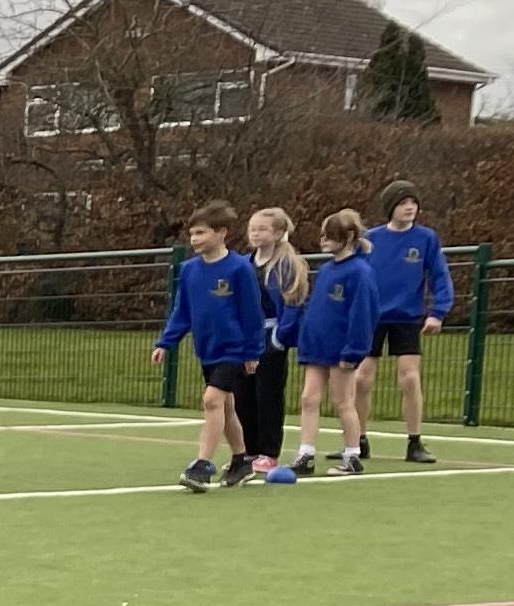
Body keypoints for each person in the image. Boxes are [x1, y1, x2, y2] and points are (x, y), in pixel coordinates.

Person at [155, 204, 271, 490]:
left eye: (201, 233)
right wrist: (166, 342)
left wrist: (253, 351)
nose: (194, 239)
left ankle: (203, 465)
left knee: (211, 400)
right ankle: (241, 460)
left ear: (222, 233)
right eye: (192, 234)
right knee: (226, 406)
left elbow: (252, 314)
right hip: (207, 350)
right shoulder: (190, 270)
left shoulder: (240, 269)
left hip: (234, 350)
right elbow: (182, 312)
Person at [363, 181, 453, 465]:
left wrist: (437, 312)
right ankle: (357, 440)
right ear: (391, 207)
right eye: (403, 203)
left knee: (410, 378)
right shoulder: (370, 239)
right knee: (361, 378)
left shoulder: (427, 238)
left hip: (408, 318)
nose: (409, 207)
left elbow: (440, 276)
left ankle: (414, 442)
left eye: (413, 203)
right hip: (372, 318)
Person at [292, 209, 380, 477]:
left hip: (342, 350)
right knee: (309, 398)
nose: (323, 241)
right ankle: (305, 453)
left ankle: (352, 454)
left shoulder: (360, 272)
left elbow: (363, 315)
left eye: (330, 236)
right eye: (323, 236)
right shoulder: (328, 269)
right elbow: (319, 310)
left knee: (343, 402)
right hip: (318, 348)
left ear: (349, 236)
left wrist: (353, 350)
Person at [241, 207, 309, 480]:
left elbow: (293, 304)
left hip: (271, 338)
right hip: (247, 338)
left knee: (267, 395)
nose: (256, 234)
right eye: (252, 229)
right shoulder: (245, 263)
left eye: (262, 229)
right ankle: (248, 451)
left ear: (279, 233)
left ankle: (269, 452)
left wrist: (280, 338)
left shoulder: (286, 265)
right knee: (243, 395)